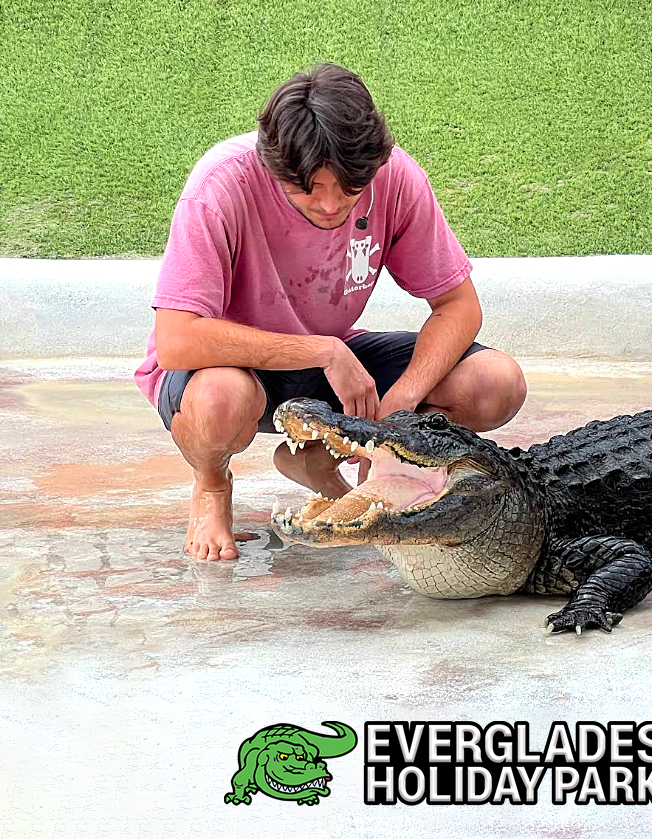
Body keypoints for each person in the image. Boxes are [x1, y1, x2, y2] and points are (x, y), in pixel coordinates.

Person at [134, 63, 528, 562]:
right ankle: (211, 487)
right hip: (229, 368)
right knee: (219, 399)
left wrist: (402, 402)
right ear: (273, 166)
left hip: (333, 362)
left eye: (349, 188)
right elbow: (176, 340)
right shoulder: (219, 187)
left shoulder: (397, 177)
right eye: (308, 188)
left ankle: (316, 457)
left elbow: (459, 306)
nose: (329, 205)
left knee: (496, 381)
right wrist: (324, 351)